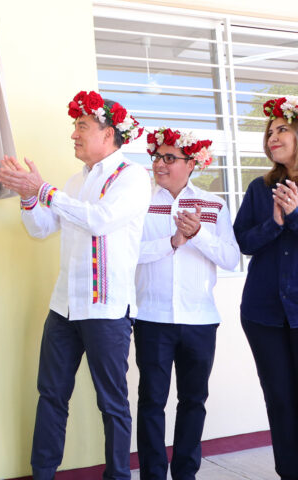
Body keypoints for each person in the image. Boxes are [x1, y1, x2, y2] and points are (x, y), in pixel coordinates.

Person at [0, 90, 151, 480]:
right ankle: (43, 473)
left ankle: (118, 475)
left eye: (82, 126)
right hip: (64, 306)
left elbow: (100, 219)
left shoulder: (132, 178)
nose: (74, 135)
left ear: (109, 134)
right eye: (75, 127)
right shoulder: (74, 180)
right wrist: (28, 198)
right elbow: (42, 229)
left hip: (107, 309)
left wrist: (45, 190)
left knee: (112, 403)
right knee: (51, 396)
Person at [135, 128, 239, 479]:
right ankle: (152, 474)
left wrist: (198, 234)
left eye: (169, 158)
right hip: (152, 318)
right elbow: (129, 254)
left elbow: (230, 257)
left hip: (200, 321)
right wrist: (172, 240)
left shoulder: (214, 204)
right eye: (156, 157)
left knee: (193, 402)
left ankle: (185, 474)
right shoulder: (140, 203)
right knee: (151, 403)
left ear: (192, 162)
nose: (159, 164)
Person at [234, 96, 298, 480]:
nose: (272, 137)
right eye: (269, 132)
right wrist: (274, 223)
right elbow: (243, 241)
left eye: (282, 129)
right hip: (263, 314)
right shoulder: (261, 188)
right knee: (280, 400)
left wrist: (295, 217)